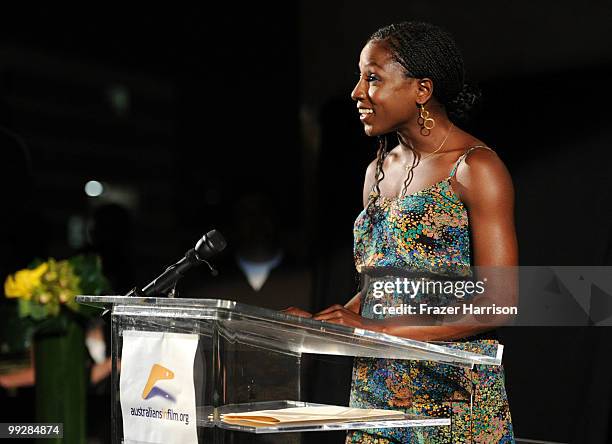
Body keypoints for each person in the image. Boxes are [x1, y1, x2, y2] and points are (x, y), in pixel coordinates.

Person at [285, 21, 517, 442]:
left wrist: (379, 330)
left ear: (422, 90)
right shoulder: (377, 170)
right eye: (360, 77)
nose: (357, 91)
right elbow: (381, 287)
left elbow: (498, 302)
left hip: (450, 402)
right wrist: (325, 325)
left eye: (372, 78)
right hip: (376, 391)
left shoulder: (475, 167)